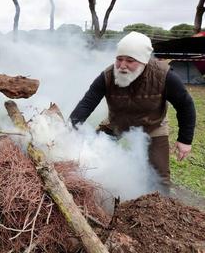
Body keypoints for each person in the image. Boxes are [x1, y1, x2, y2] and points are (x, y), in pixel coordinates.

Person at [69, 31, 196, 194]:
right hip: (117, 122)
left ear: (144, 61)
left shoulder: (164, 76)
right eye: (119, 59)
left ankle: (158, 208)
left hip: (153, 124)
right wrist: (69, 128)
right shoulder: (107, 76)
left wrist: (185, 140)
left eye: (130, 60)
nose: (122, 65)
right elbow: (88, 102)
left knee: (160, 176)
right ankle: (95, 193)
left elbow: (185, 105)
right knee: (89, 157)